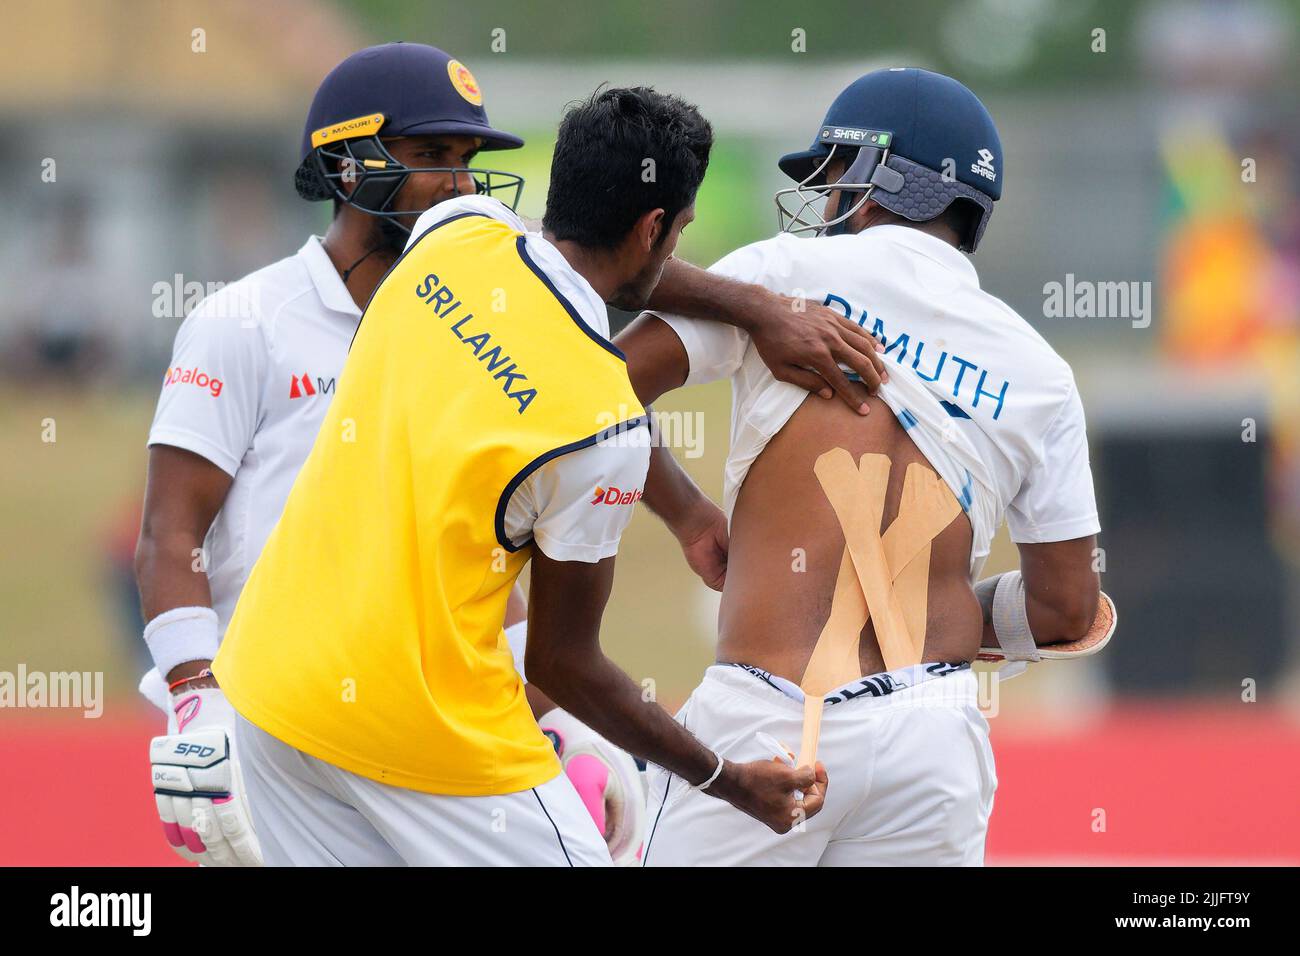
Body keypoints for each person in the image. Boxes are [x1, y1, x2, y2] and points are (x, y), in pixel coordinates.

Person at [209, 87, 832, 866]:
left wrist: (751, 311)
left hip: (269, 694)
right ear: (653, 229)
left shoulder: (452, 233)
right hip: (426, 734)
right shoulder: (600, 430)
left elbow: (555, 257)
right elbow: (563, 664)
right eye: (675, 233)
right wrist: (728, 779)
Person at [617, 68, 1115, 866]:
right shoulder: (1041, 371)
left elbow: (596, 387)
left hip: (767, 723)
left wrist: (684, 513)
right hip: (936, 739)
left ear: (882, 179)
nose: (824, 198)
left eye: (836, 173)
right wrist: (935, 602)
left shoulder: (781, 276)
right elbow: (1065, 608)